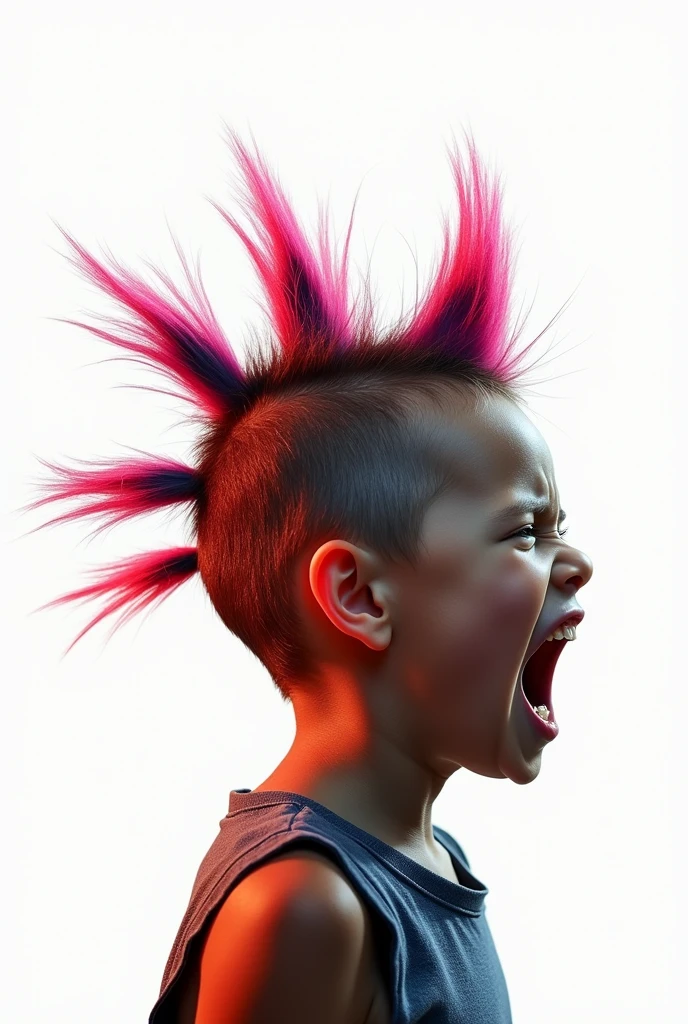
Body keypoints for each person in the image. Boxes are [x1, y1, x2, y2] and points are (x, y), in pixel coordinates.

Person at [28, 124, 593, 1023]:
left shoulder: (425, 860)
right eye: (525, 530)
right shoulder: (306, 905)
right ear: (361, 597)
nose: (576, 561)